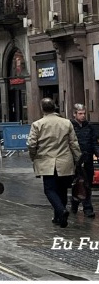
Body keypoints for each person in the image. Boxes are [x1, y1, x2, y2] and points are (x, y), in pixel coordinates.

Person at [28, 97, 81, 228]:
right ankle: (60, 218)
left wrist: (33, 156)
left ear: (42, 108)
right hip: (64, 161)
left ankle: (61, 210)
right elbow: (73, 143)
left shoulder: (38, 124)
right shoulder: (66, 123)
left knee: (50, 189)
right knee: (62, 190)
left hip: (46, 162)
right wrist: (78, 158)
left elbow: (31, 144)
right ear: (55, 107)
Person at [71, 103, 97, 218]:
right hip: (76, 160)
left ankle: (76, 203)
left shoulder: (89, 127)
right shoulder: (70, 126)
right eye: (80, 114)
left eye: (84, 113)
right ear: (75, 114)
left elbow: (93, 142)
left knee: (87, 184)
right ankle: (87, 208)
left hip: (88, 159)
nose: (82, 116)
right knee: (81, 183)